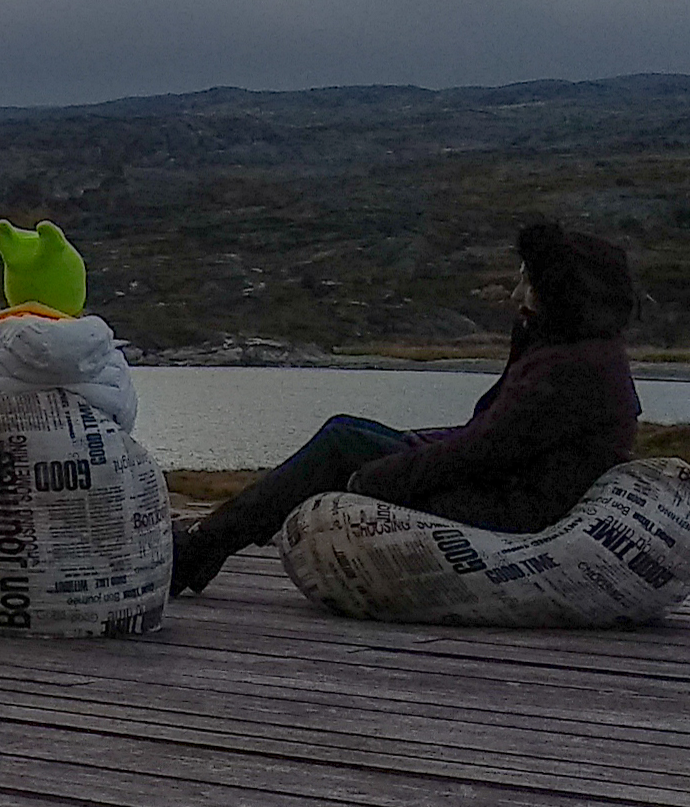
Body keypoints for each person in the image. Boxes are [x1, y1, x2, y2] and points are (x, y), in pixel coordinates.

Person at [170, 220, 641, 596]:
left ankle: (201, 547)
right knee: (348, 435)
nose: (518, 296)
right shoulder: (577, 354)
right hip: (504, 489)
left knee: (341, 444)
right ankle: (208, 544)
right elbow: (490, 435)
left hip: (507, 509)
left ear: (558, 293)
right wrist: (410, 446)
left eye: (528, 284)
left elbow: (483, 450)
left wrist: (381, 476)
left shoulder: (570, 372)